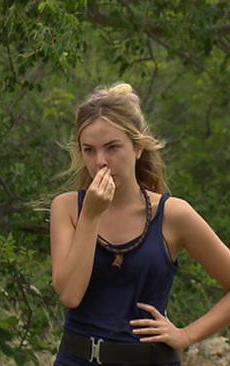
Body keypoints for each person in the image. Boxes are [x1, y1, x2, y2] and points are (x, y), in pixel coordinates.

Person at [50, 82, 230, 365]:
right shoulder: (68, 208)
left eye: (112, 148)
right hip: (78, 357)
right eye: (89, 150)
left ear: (137, 148)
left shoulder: (173, 214)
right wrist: (91, 216)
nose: (101, 162)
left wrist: (186, 336)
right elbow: (71, 295)